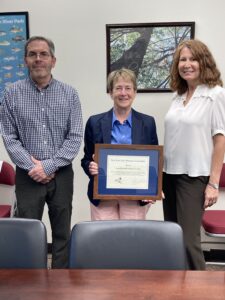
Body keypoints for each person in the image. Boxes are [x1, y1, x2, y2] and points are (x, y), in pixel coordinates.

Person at [0, 36, 83, 268]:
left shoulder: (70, 94)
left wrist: (48, 166)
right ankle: (29, 283)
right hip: (27, 176)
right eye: (32, 54)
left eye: (43, 54)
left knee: (61, 235)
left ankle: (60, 284)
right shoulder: (11, 94)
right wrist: (32, 166)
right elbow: (9, 137)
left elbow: (75, 137)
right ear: (25, 61)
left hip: (62, 175)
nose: (38, 59)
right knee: (27, 234)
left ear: (53, 61)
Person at [163, 39, 225, 270]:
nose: (187, 64)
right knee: (173, 238)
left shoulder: (216, 94)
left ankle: (200, 291)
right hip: (169, 175)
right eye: (182, 59)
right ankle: (178, 288)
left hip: (194, 176)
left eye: (192, 59)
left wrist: (212, 184)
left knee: (189, 241)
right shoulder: (177, 96)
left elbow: (220, 140)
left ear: (204, 62)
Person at [81, 68, 158, 220]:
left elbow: (154, 161)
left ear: (135, 92)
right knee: (104, 240)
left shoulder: (148, 123)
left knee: (131, 239)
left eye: (128, 88)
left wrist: (153, 189)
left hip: (135, 196)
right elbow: (86, 160)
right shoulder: (94, 122)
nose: (123, 93)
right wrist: (91, 166)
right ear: (111, 92)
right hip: (103, 195)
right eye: (118, 88)